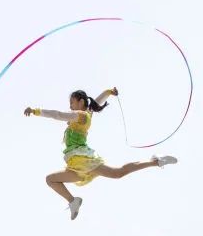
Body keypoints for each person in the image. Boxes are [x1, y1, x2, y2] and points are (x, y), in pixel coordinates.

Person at [23, 88, 177, 220]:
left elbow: (57, 114)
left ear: (81, 102)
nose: (70, 106)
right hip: (75, 166)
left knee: (117, 173)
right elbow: (96, 102)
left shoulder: (81, 115)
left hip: (84, 161)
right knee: (50, 180)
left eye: (72, 102)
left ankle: (156, 161)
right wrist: (109, 92)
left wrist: (36, 111)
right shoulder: (85, 113)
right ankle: (73, 201)